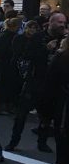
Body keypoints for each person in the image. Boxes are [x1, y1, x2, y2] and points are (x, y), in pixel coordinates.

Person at [9, 13, 66, 152]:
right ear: (51, 22)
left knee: (47, 116)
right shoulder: (38, 37)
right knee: (22, 114)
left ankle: (42, 142)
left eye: (64, 22)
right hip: (35, 80)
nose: (62, 25)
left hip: (53, 83)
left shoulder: (64, 39)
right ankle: (13, 141)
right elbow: (27, 55)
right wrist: (45, 49)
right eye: (59, 22)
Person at [39, 38, 69, 164]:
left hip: (64, 109)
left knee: (63, 150)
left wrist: (45, 114)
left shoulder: (61, 58)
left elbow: (49, 86)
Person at [0, 17, 23, 116]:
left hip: (4, 63)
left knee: (4, 85)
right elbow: (5, 51)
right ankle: (2, 107)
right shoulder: (11, 36)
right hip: (6, 64)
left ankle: (3, 106)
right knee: (5, 85)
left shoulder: (3, 34)